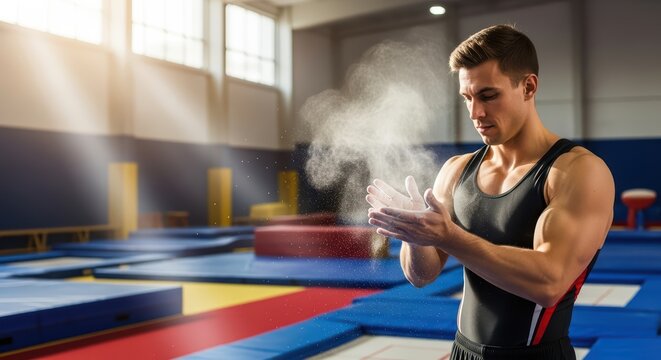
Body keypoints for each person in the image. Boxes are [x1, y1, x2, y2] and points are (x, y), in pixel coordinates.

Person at [366, 24, 614, 360]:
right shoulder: (457, 170)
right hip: (463, 351)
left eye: (488, 95)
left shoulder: (577, 172)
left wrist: (450, 237)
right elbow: (422, 276)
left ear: (528, 86)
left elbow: (549, 284)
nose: (475, 113)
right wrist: (415, 234)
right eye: (467, 98)